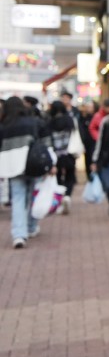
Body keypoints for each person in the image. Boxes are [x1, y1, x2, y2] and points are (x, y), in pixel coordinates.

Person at [0, 96, 54, 248]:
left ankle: (19, 234)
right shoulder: (34, 122)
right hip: (34, 165)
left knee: (18, 199)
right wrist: (51, 163)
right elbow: (47, 142)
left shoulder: (4, 126)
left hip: (13, 168)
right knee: (33, 196)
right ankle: (31, 226)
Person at [47, 101, 77, 214]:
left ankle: (59, 197)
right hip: (69, 152)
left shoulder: (50, 121)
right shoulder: (69, 119)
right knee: (70, 175)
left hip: (55, 154)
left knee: (58, 176)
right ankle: (67, 195)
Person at [78, 101, 97, 172]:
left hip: (94, 141)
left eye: (90, 107)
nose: (88, 109)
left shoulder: (96, 117)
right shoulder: (83, 117)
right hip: (86, 142)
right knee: (88, 159)